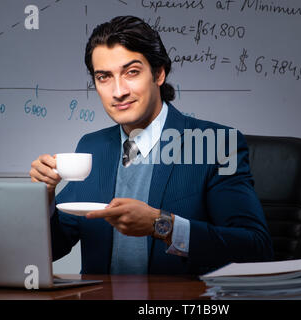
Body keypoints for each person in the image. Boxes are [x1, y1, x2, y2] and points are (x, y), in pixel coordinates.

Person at [30, 15, 273, 275]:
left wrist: (162, 225)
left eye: (131, 72)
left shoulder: (216, 145)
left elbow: (256, 250)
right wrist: (44, 198)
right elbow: (52, 248)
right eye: (104, 77)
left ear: (159, 73)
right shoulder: (93, 147)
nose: (118, 91)